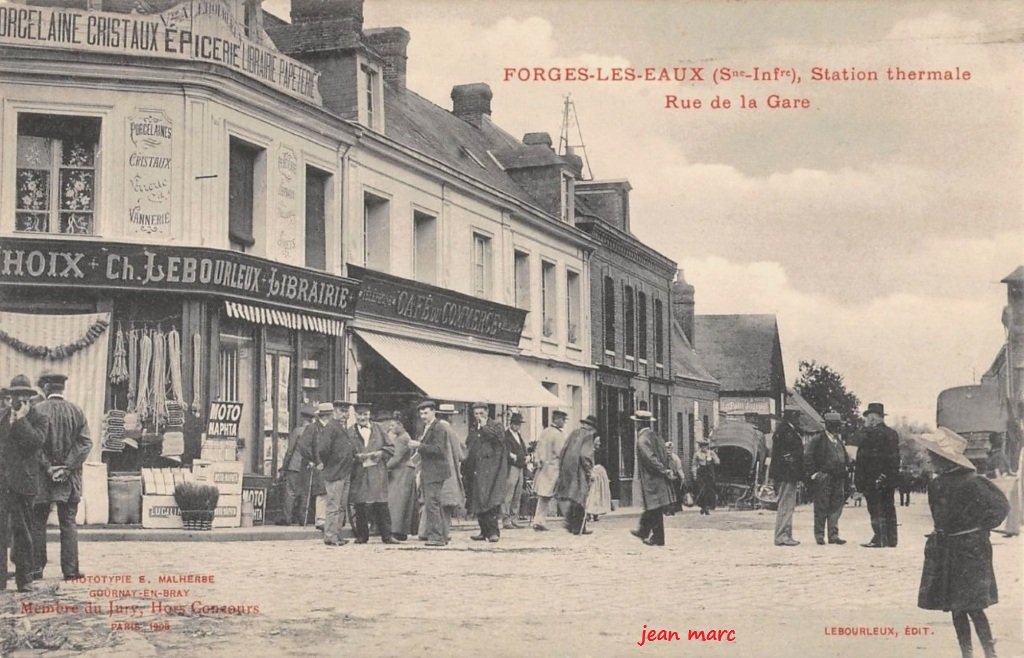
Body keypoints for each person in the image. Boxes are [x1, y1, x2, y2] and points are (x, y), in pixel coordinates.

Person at [916, 428, 1009, 658]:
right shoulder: (935, 485)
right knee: (955, 605)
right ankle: (966, 653)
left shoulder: (974, 482)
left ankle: (989, 651)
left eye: (933, 457)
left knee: (973, 605)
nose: (930, 461)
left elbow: (1001, 507)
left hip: (971, 551)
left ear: (944, 459)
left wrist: (981, 527)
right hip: (948, 550)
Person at [32, 371, 91, 581]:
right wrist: (67, 467)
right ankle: (71, 570)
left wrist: (49, 467)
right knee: (68, 522)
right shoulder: (76, 411)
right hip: (69, 478)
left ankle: (36, 569)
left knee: (38, 522)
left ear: (46, 388)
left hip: (41, 478)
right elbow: (85, 444)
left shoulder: (36, 411)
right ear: (62, 388)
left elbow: (33, 446)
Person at [0, 376, 47, 591]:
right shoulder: (1, 416)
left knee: (23, 532)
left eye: (23, 395)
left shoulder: (39, 419)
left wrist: (21, 420)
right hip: (2, 482)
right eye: (15, 395)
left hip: (24, 483)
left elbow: (34, 444)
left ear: (30, 398)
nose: (18, 399)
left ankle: (24, 578)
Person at [349, 402, 398, 544]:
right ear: (355, 415)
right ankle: (362, 535)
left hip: (377, 470)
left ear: (370, 415)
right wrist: (356, 457)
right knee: (360, 503)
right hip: (359, 470)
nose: (362, 417)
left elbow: (391, 447)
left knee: (380, 502)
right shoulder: (350, 431)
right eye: (359, 414)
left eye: (365, 414)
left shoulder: (379, 429)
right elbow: (346, 452)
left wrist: (381, 453)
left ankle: (387, 535)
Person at [854, 402, 900, 548]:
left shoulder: (870, 434)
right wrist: (888, 475)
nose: (866, 420)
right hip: (888, 478)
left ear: (873, 418)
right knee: (889, 507)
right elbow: (895, 458)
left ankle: (879, 538)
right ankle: (891, 539)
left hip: (872, 478)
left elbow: (864, 459)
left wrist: (863, 480)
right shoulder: (892, 434)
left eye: (868, 417)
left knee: (875, 508)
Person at [465, 403, 508, 542]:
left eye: (481, 413)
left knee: (489, 500)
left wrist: (484, 427)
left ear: (487, 412)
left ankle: (493, 532)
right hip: (476, 469)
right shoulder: (474, 428)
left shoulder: (496, 425)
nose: (478, 417)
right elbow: (470, 445)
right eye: (476, 414)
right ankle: (483, 531)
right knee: (478, 500)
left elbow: (499, 439)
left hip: (491, 470)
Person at [631, 410, 676, 546]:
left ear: (639, 424)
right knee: (653, 508)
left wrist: (662, 470)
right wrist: (667, 470)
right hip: (659, 479)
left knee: (653, 507)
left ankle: (652, 535)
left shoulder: (642, 440)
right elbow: (666, 454)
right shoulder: (656, 436)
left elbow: (650, 459)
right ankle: (647, 532)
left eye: (636, 423)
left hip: (651, 479)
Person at [805, 411, 850, 545]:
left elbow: (844, 457)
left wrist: (846, 466)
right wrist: (814, 474)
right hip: (824, 477)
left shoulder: (838, 440)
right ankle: (819, 535)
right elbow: (808, 456)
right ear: (828, 425)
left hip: (838, 477)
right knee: (821, 507)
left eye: (838, 424)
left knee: (836, 507)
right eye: (834, 424)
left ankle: (833, 535)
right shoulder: (818, 439)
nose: (836, 427)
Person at [315, 402, 356, 547]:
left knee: (341, 506)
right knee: (333, 505)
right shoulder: (331, 428)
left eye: (347, 412)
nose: (345, 414)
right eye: (342, 411)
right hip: (335, 472)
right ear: (335, 412)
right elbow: (322, 449)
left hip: (344, 472)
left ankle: (336, 534)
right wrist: (330, 463)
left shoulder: (340, 428)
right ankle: (331, 535)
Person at [414, 401, 450, 547]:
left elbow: (439, 449)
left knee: (432, 504)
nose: (423, 416)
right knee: (435, 503)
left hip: (435, 471)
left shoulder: (438, 427)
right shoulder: (428, 427)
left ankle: (436, 537)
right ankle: (442, 535)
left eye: (426, 413)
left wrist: (419, 446)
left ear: (433, 412)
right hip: (430, 470)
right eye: (421, 413)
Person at [555, 415, 599, 535]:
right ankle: (578, 527)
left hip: (568, 469)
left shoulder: (574, 433)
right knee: (581, 497)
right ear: (592, 427)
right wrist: (590, 472)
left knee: (574, 497)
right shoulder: (588, 436)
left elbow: (563, 450)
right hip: (579, 470)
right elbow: (585, 455)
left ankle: (570, 523)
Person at [769, 408, 804, 547]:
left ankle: (785, 534)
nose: (799, 420)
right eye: (797, 417)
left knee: (787, 505)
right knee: (786, 505)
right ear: (792, 417)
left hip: (785, 473)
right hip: (787, 474)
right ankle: (782, 535)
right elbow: (789, 455)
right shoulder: (787, 432)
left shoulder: (783, 430)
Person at [276, 404, 315, 525]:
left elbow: (289, 451)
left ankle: (287, 518)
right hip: (308, 466)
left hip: (295, 466)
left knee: (291, 492)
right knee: (304, 493)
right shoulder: (315, 432)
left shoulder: (298, 431)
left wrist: (284, 467)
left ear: (303, 418)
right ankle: (303, 519)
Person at [531, 409, 567, 531]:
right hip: (554, 469)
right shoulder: (557, 434)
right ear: (557, 419)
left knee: (543, 496)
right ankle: (570, 520)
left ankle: (538, 520)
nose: (563, 423)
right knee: (560, 494)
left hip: (544, 469)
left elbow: (538, 450)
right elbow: (561, 452)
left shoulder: (545, 432)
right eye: (562, 420)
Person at [386, 411, 418, 541]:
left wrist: (384, 467)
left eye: (393, 425)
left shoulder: (402, 438)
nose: (391, 428)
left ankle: (396, 529)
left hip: (401, 472)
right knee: (403, 502)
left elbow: (396, 457)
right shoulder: (404, 436)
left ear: (400, 425)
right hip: (404, 471)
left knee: (397, 502)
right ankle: (402, 530)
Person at [502, 413, 528, 529]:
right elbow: (506, 452)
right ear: (510, 424)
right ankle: (506, 519)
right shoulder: (506, 436)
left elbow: (523, 449)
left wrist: (526, 456)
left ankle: (514, 518)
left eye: (519, 424)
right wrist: (515, 457)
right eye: (515, 424)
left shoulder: (519, 436)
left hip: (520, 466)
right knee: (509, 493)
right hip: (511, 467)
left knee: (517, 493)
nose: (517, 426)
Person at [585, 434, 612, 522]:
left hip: (600, 474)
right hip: (594, 472)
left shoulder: (600, 451)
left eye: (599, 442)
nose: (598, 443)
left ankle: (596, 513)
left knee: (599, 494)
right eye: (597, 441)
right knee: (592, 494)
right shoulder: (590, 452)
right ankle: (589, 513)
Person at [691, 437, 719, 515]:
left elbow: (717, 462)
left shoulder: (711, 453)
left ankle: (707, 507)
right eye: (702, 446)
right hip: (701, 473)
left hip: (709, 474)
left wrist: (714, 457)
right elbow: (694, 465)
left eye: (705, 446)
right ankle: (703, 506)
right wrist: (694, 474)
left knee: (709, 490)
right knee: (701, 490)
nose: (704, 448)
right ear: (700, 447)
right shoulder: (697, 454)